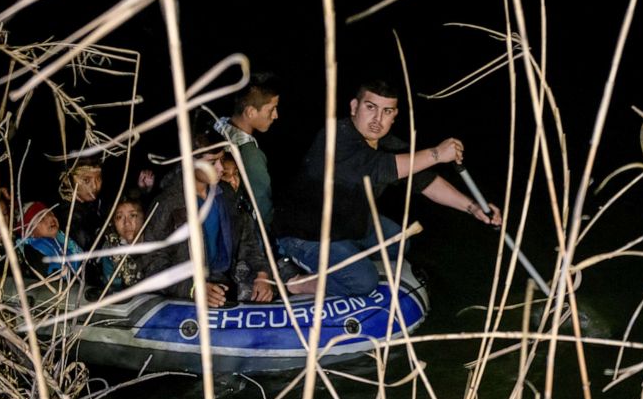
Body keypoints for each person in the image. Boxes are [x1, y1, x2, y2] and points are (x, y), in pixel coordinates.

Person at [274, 79, 502, 297]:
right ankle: (293, 281)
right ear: (354, 106)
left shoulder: (386, 144)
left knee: (399, 242)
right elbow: (382, 168)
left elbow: (426, 182)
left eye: (387, 111)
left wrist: (472, 207)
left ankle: (344, 260)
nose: (377, 119)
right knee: (363, 282)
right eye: (370, 107)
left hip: (350, 224)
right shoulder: (335, 136)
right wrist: (436, 154)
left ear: (395, 116)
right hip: (308, 234)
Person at [137, 131, 275, 306]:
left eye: (221, 160)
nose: (220, 168)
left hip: (225, 284)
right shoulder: (167, 204)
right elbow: (152, 262)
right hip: (184, 296)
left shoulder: (227, 195)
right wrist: (193, 288)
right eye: (211, 163)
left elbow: (248, 242)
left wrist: (262, 275)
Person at [214, 72, 280, 229]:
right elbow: (263, 210)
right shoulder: (251, 155)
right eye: (271, 109)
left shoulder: (214, 128)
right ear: (250, 112)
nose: (275, 116)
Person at [17, 201, 84, 278]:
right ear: (30, 232)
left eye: (50, 214)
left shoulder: (63, 238)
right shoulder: (32, 250)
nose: (50, 218)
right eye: (42, 219)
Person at [100, 194, 146, 289]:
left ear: (143, 217)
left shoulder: (157, 241)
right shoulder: (110, 251)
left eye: (133, 215)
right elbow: (114, 290)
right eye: (119, 217)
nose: (126, 223)